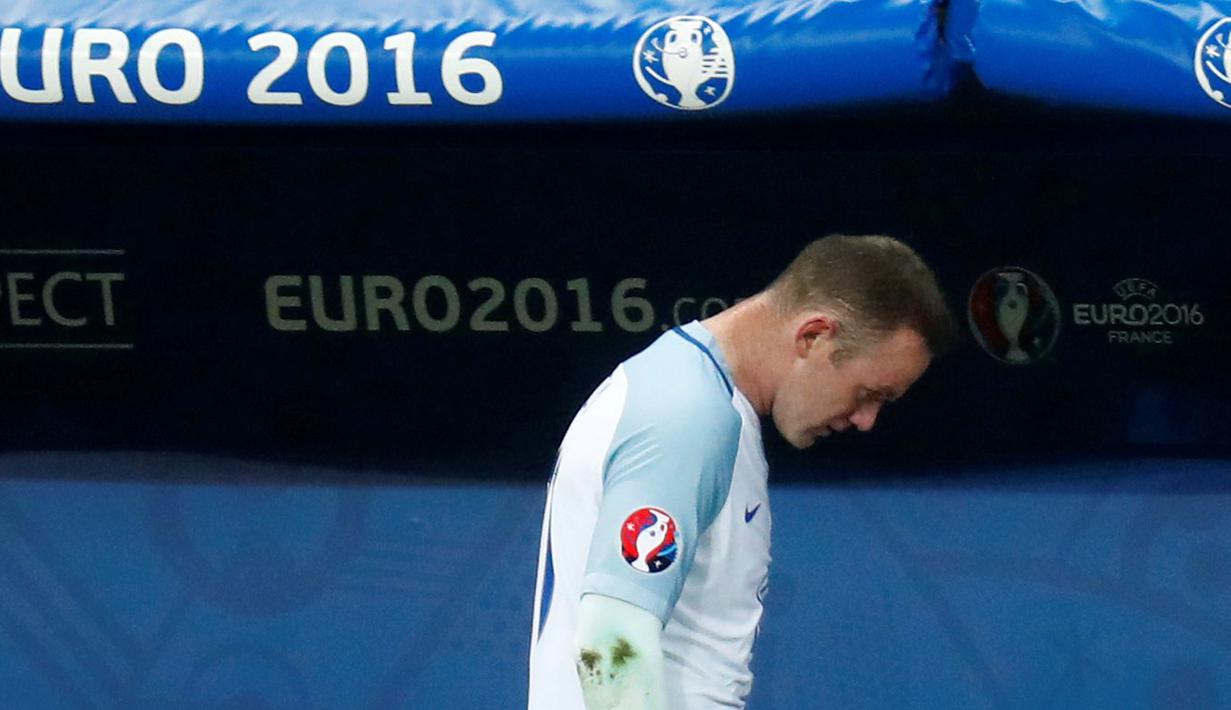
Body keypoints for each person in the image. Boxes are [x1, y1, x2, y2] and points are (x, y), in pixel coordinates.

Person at [528, 234, 957, 709]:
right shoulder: (687, 414)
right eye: (869, 393)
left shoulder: (708, 405)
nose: (866, 420)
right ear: (813, 336)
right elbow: (610, 645)